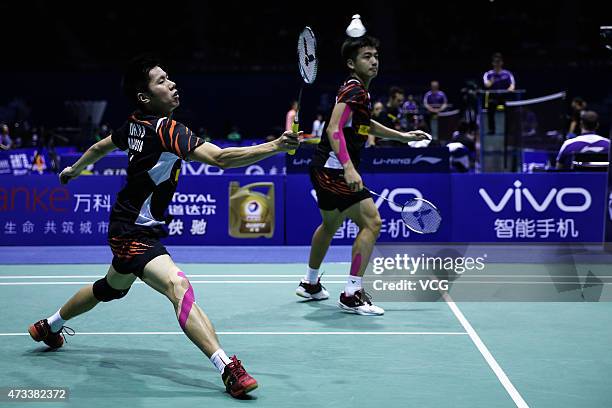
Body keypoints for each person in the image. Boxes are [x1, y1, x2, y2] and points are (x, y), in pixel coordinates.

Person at [27, 55, 300, 398]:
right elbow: (220, 159)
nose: (171, 84)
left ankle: (48, 327)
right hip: (133, 232)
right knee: (178, 285)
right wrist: (275, 146)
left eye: (169, 78)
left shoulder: (134, 126)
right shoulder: (167, 129)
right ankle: (227, 368)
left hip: (129, 226)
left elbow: (99, 147)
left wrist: (74, 170)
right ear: (144, 96)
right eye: (161, 81)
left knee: (109, 288)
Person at [296, 33, 430, 315]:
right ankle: (352, 293)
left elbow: (365, 125)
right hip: (334, 170)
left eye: (376, 56)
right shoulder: (354, 90)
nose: (373, 61)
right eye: (366, 57)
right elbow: (333, 128)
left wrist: (403, 137)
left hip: (322, 168)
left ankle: (310, 284)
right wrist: (348, 166)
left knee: (330, 225)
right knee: (373, 223)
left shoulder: (357, 91)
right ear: (351, 63)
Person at [482, 53, 515, 134]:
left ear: (501, 63)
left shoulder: (507, 74)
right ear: (493, 63)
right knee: (490, 113)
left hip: (504, 97)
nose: (497, 63)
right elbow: (487, 85)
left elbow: (512, 85)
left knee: (510, 113)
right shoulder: (488, 74)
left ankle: (509, 130)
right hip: (493, 98)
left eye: (499, 62)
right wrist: (492, 80)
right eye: (495, 62)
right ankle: (492, 130)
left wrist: (509, 89)